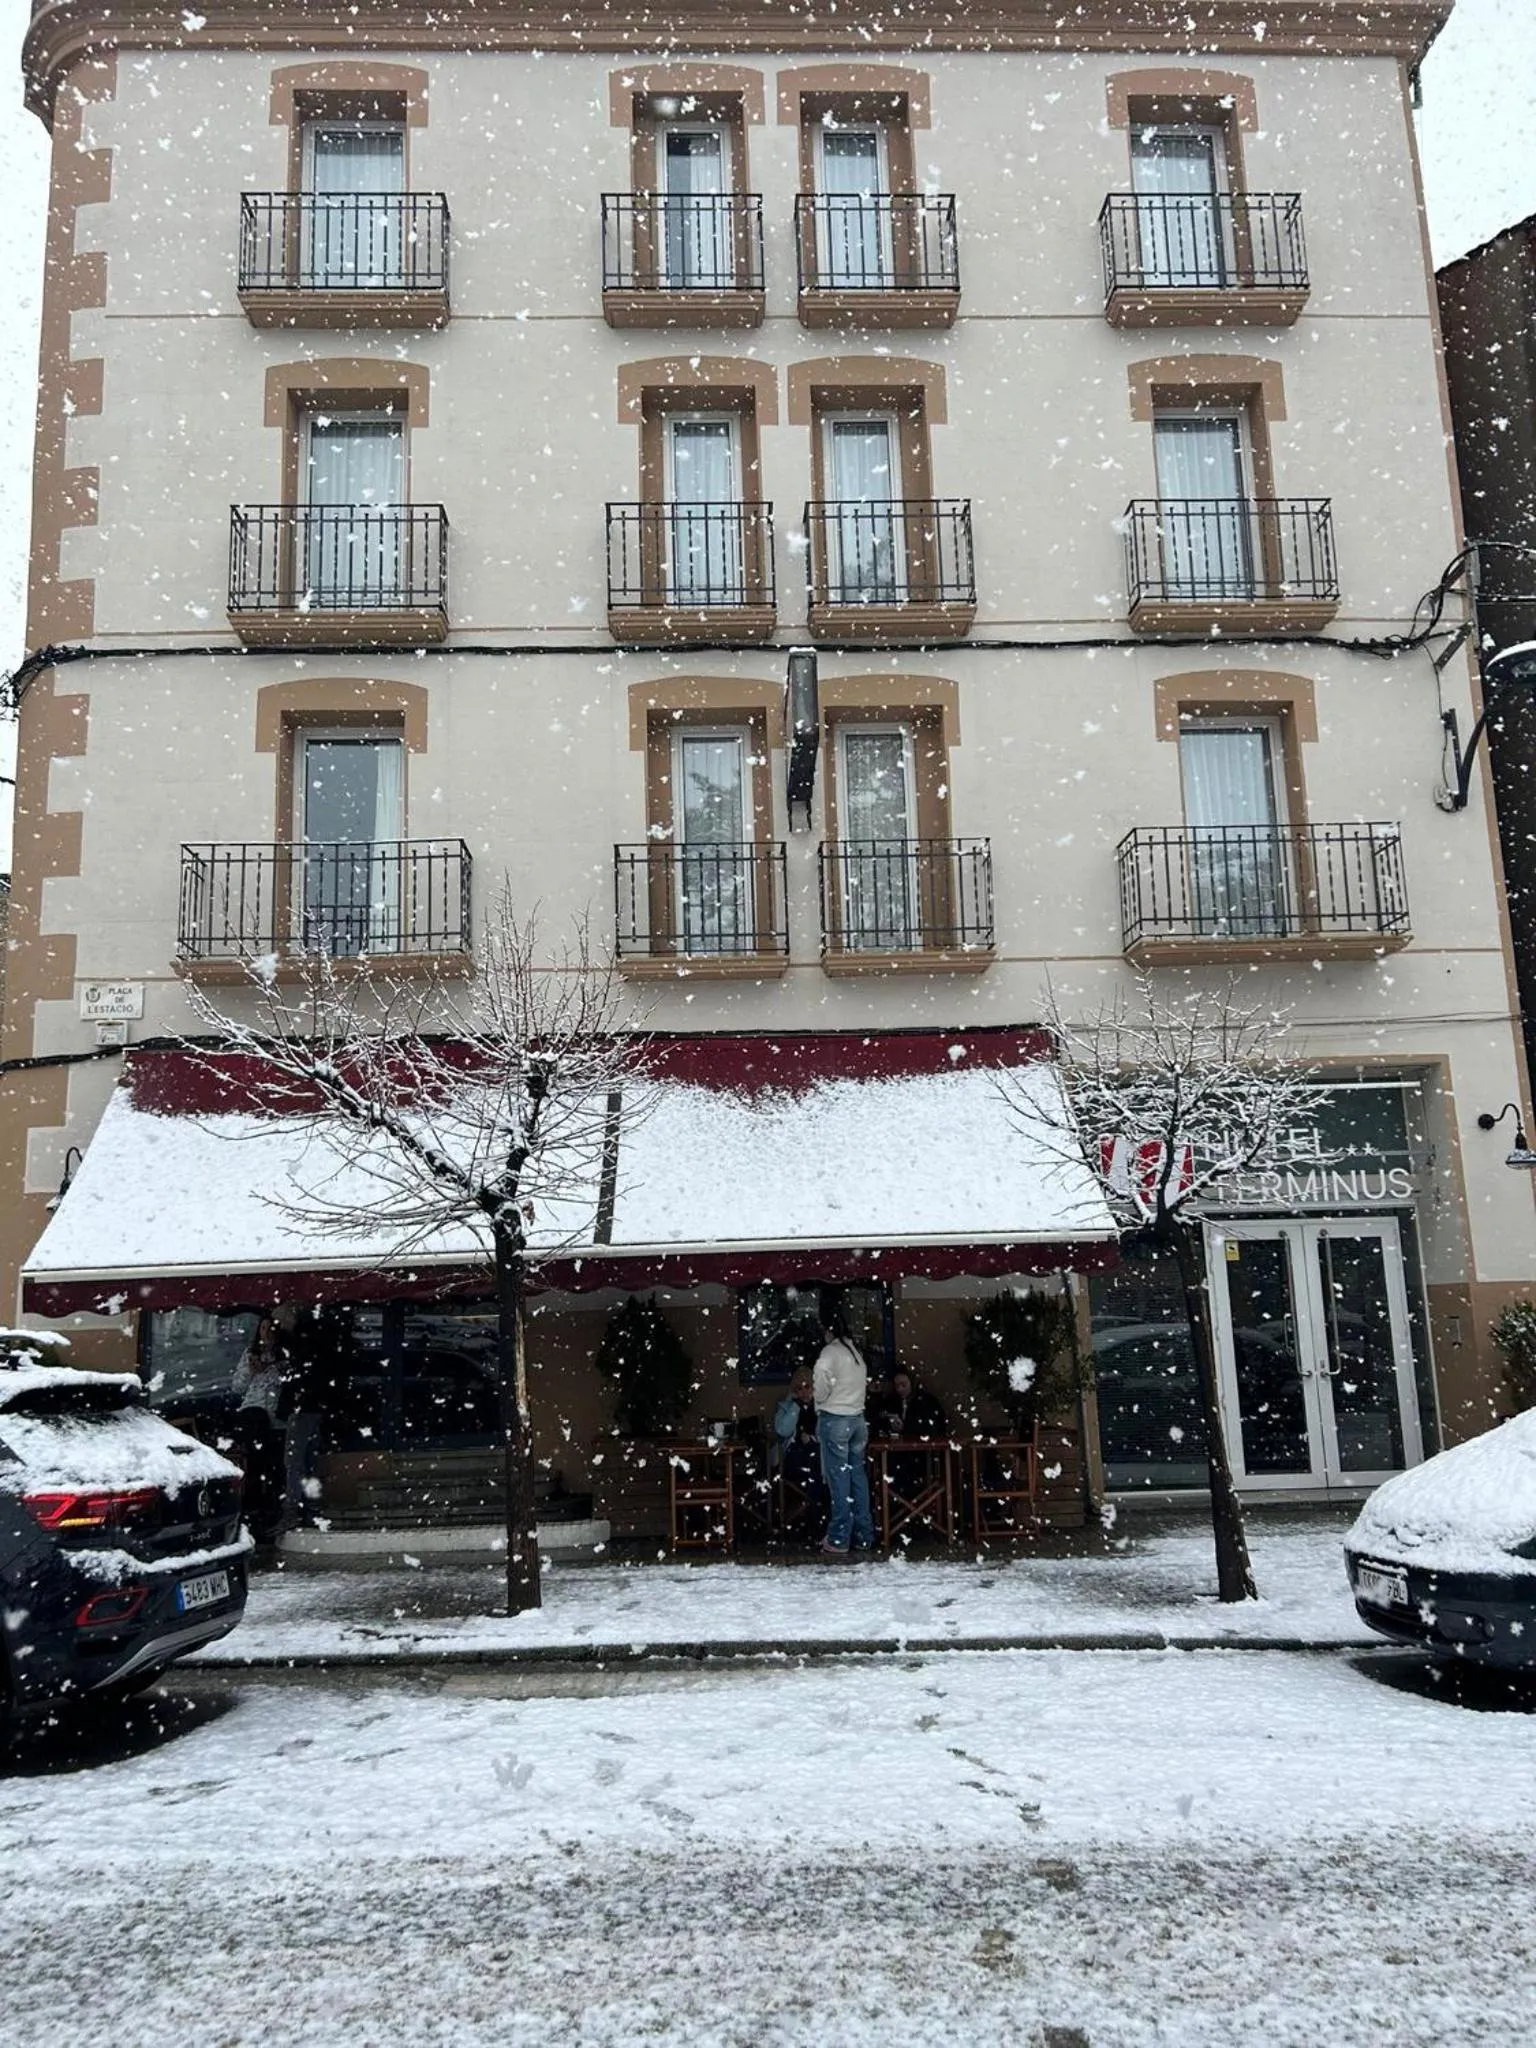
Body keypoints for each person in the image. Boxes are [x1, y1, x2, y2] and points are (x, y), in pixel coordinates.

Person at [812, 1294, 874, 1557]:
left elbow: (821, 1379)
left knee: (839, 1480)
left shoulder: (830, 1352)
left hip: (835, 1418)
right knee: (857, 1478)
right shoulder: (855, 1352)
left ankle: (838, 1538)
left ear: (827, 1330)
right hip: (858, 1419)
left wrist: (820, 1397)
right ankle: (864, 1535)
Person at [232, 1311, 287, 1543]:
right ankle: (253, 1512)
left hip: (275, 1419)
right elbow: (237, 1386)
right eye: (263, 1329)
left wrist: (276, 1368)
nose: (266, 1333)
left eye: (270, 1329)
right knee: (255, 1464)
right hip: (253, 1414)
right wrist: (250, 1371)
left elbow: (290, 1383)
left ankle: (270, 1511)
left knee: (275, 1468)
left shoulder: (283, 1356)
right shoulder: (250, 1354)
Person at [772, 1366, 828, 1543]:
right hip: (794, 1454)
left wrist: (812, 1438)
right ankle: (817, 1523)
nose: (804, 1392)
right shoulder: (787, 1407)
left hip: (817, 1452)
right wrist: (795, 1407)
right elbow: (782, 1430)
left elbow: (827, 1432)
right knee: (816, 1472)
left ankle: (817, 1522)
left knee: (819, 1469)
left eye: (808, 1387)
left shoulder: (822, 1407)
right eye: (799, 1388)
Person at [873, 1369, 949, 1442]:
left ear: (912, 1384)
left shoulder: (926, 1401)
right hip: (895, 1448)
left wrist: (905, 1426)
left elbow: (932, 1427)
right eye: (896, 1386)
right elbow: (879, 1422)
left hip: (922, 1449)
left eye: (904, 1385)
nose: (900, 1389)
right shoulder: (891, 1400)